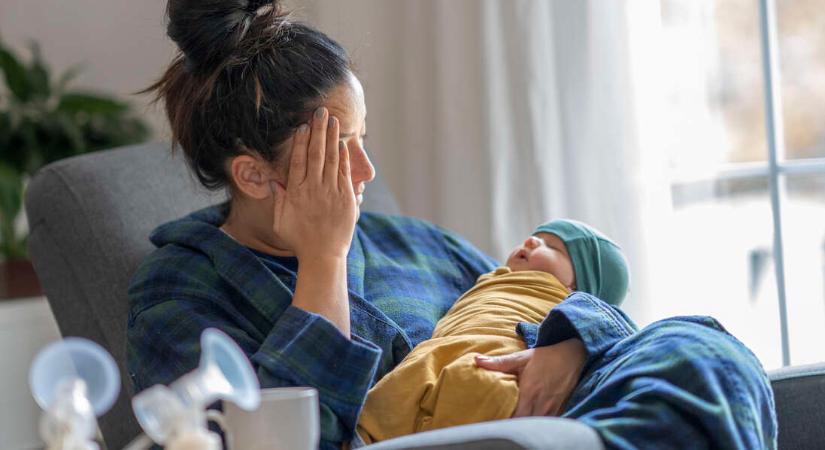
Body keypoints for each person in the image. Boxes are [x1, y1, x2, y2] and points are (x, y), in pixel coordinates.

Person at [127, 0, 777, 449]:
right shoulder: (178, 289)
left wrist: (569, 342)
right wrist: (322, 262)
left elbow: (528, 298)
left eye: (364, 138)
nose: (366, 168)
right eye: (339, 147)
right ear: (253, 175)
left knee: (699, 347)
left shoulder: (416, 244)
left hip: (567, 417)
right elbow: (280, 437)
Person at [356, 219, 630, 444]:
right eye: (536, 236)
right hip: (439, 351)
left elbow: (610, 327)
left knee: (482, 388)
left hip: (497, 352)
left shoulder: (570, 301)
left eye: (554, 247)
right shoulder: (489, 277)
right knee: (385, 403)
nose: (532, 241)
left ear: (576, 286)